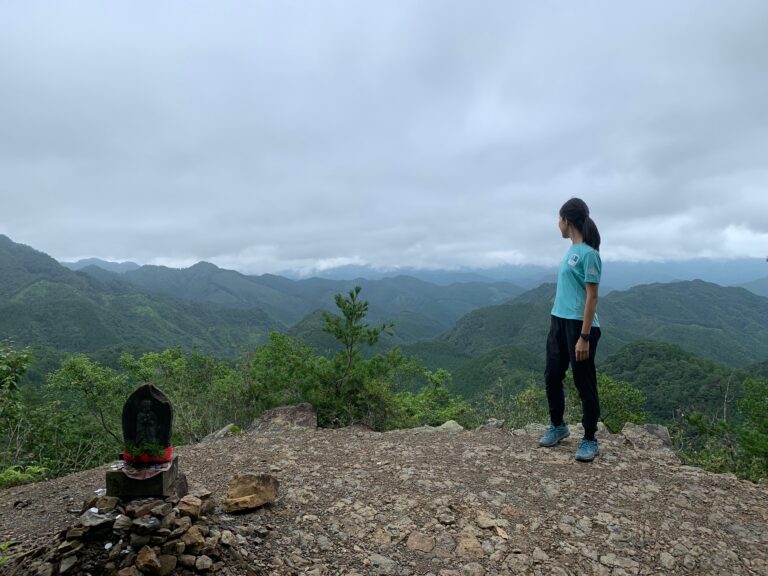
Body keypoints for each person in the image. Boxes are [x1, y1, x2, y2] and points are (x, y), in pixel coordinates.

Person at [538, 198, 602, 462]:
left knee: (583, 382)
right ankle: (559, 426)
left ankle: (589, 438)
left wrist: (584, 337)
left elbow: (592, 297)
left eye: (559, 219)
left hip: (580, 326)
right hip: (558, 321)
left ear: (566, 220)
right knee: (552, 375)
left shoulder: (590, 254)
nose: (558, 224)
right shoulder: (572, 250)